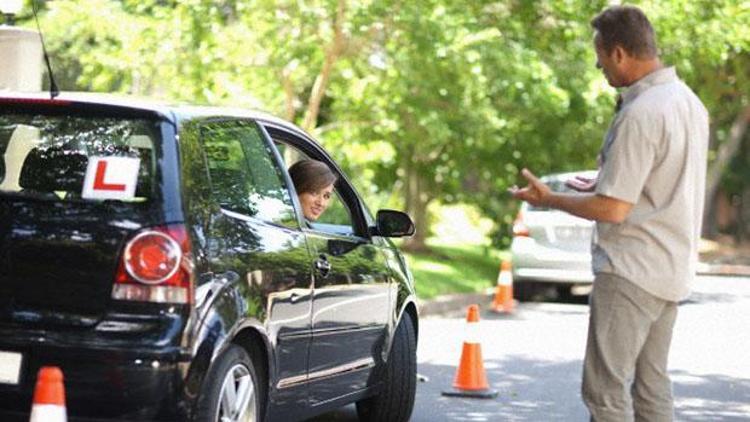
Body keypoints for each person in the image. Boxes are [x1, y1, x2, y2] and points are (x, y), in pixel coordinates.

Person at [510, 5, 709, 422]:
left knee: (605, 390)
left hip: (631, 271)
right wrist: (603, 181)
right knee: (652, 388)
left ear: (618, 53)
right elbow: (653, 183)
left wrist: (549, 200)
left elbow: (613, 209)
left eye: (599, 56)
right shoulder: (688, 103)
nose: (599, 67)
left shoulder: (641, 112)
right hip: (669, 270)